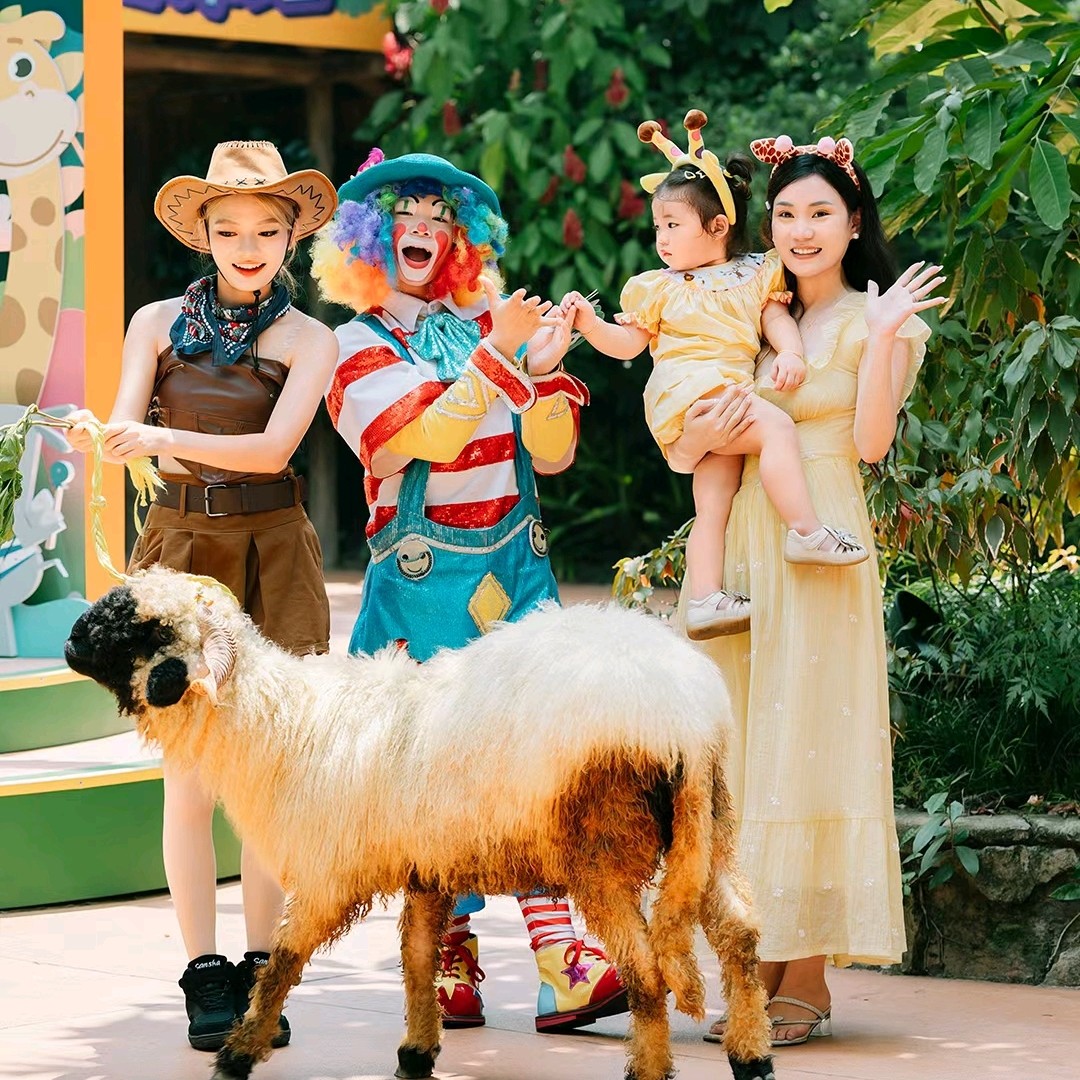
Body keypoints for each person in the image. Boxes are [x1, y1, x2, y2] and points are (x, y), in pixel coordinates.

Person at [309, 149, 629, 1034]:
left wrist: (545, 371)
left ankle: (563, 959)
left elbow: (553, 453)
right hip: (420, 586)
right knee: (435, 772)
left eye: (440, 217)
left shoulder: (494, 319)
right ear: (368, 240)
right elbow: (421, 442)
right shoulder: (354, 345)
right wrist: (501, 358)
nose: (422, 227)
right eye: (402, 216)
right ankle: (446, 954)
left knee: (537, 759)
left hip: (516, 568)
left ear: (461, 239)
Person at [664, 134, 945, 1047]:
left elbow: (870, 444)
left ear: (854, 223)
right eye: (786, 213)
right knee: (749, 747)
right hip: (746, 529)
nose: (802, 228)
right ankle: (757, 958)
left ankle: (809, 975)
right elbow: (692, 443)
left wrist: (888, 335)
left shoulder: (876, 316)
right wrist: (699, 426)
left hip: (823, 528)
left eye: (821, 211)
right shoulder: (751, 309)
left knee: (815, 736)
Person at [66, 141, 339, 1051]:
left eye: (266, 229)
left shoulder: (311, 339)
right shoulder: (152, 323)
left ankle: (265, 969)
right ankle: (204, 974)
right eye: (229, 230)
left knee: (268, 778)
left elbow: (271, 452)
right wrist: (110, 435)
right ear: (203, 236)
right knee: (186, 778)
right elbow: (125, 425)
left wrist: (157, 439)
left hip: (274, 555)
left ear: (292, 235)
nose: (247, 246)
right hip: (180, 556)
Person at [562, 110, 868, 642]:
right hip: (696, 392)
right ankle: (806, 531)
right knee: (777, 428)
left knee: (713, 501)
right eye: (658, 226)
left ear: (719, 227)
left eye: (672, 225)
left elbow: (775, 320)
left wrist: (791, 353)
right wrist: (590, 325)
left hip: (719, 397)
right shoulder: (659, 286)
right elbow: (629, 343)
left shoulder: (753, 274)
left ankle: (704, 598)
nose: (661, 238)